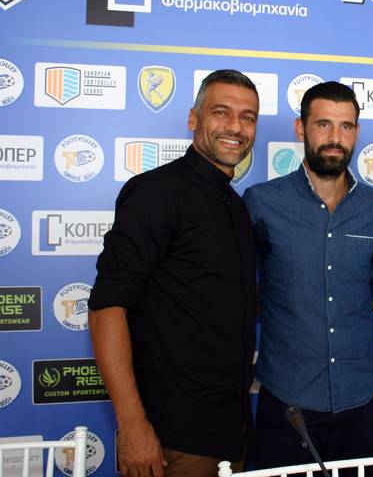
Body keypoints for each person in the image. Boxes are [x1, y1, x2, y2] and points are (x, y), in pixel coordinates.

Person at [88, 70, 260, 477]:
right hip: (171, 440)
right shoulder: (155, 192)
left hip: (231, 433)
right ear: (193, 118)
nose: (236, 127)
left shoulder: (236, 206)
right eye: (221, 112)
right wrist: (132, 425)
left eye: (248, 117)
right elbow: (106, 308)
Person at [242, 81, 373, 470]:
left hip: (359, 399)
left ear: (357, 132)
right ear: (301, 128)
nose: (335, 138)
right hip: (286, 398)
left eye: (346, 126)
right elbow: (237, 289)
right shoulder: (261, 203)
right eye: (323, 124)